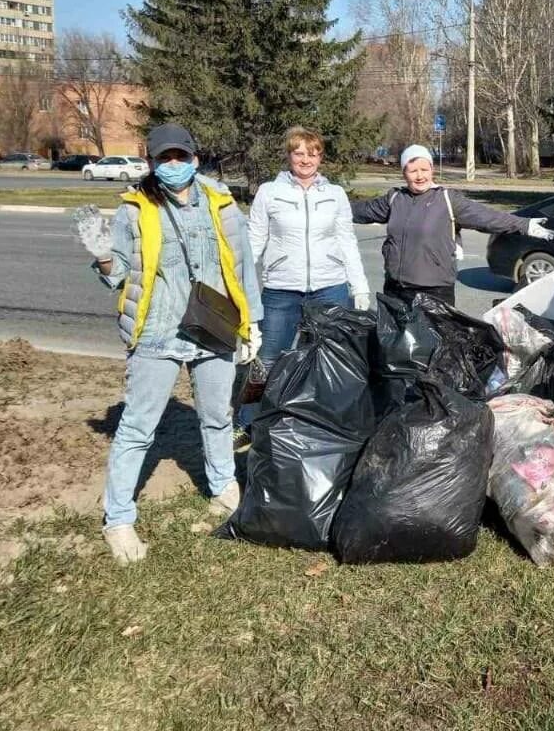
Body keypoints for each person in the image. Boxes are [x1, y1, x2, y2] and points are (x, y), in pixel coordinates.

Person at [73, 123, 262, 565]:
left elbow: (243, 265)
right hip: (158, 333)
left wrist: (252, 323)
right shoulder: (136, 209)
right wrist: (102, 255)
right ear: (152, 163)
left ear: (196, 160)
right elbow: (118, 274)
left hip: (213, 327)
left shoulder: (221, 203)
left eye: (181, 157)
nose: (173, 165)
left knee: (217, 417)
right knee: (138, 427)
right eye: (164, 159)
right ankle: (118, 519)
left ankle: (223, 490)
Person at [351, 144, 554, 306]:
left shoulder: (448, 200)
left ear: (432, 169)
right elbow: (361, 211)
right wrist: (332, 204)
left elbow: (486, 217)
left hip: (435, 291)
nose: (420, 176)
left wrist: (524, 225)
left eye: (424, 169)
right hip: (396, 288)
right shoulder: (395, 198)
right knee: (396, 353)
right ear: (404, 173)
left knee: (437, 353)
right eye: (413, 171)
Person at [247, 126, 369, 368]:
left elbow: (347, 241)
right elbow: (255, 239)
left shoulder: (335, 194)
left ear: (320, 157)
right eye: (299, 153)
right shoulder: (269, 192)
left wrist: (360, 287)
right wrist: (241, 285)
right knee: (269, 359)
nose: (306, 160)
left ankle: (320, 407)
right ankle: (253, 407)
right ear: (289, 155)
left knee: (329, 359)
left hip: (330, 289)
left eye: (312, 154)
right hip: (281, 290)